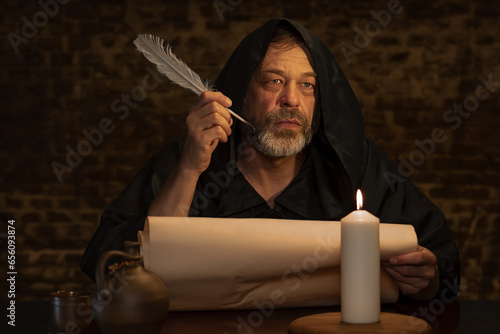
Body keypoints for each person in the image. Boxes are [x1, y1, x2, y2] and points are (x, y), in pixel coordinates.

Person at [81, 18, 460, 302]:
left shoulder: (358, 165)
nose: (291, 99)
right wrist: (189, 170)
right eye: (274, 81)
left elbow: (438, 261)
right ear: (240, 94)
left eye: (307, 85)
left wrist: (427, 278)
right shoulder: (185, 160)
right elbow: (117, 270)